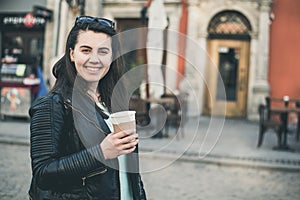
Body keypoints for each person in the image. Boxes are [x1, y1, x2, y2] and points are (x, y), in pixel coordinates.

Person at [28, 15, 147, 200]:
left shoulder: (113, 103)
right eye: (86, 50)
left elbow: (128, 173)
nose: (94, 59)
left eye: (103, 51)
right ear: (72, 54)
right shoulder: (52, 105)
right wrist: (100, 153)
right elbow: (43, 174)